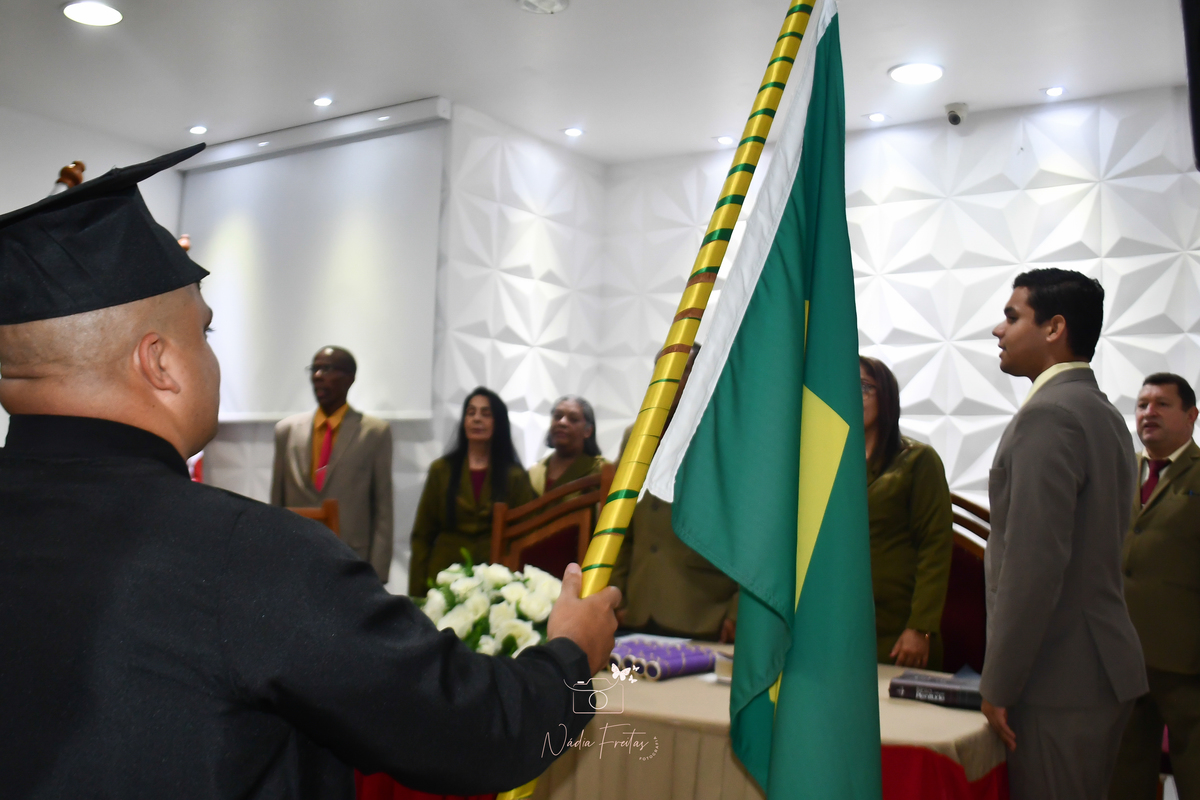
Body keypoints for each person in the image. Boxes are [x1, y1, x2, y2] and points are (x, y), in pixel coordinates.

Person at [0, 146, 620, 798]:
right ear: (158, 363)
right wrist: (571, 659)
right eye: (205, 333)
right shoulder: (243, 558)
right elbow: (482, 733)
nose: (212, 356)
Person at [981, 268, 1147, 799]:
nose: (998, 330)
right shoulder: (1101, 412)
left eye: (1012, 317)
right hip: (1093, 670)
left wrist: (999, 683)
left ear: (1054, 328)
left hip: (1057, 678)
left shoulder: (1049, 415)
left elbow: (1032, 566)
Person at [610, 342, 739, 642]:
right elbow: (620, 519)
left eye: (681, 369)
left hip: (703, 609)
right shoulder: (636, 436)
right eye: (662, 370)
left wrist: (737, 609)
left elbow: (747, 532)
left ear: (703, 375)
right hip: (638, 605)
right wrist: (616, 591)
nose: (668, 378)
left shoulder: (728, 437)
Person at [1110, 373, 1200, 800]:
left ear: (1192, 415)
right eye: (1142, 405)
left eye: (1162, 404)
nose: (1149, 413)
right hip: (1122, 655)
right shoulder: (1121, 471)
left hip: (1187, 662)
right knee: (1124, 778)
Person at [859, 355, 952, 670]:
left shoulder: (917, 461)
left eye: (863, 387)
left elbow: (935, 546)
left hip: (897, 631)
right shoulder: (825, 462)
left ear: (885, 396)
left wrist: (920, 627)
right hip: (835, 624)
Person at [271, 346, 393, 581]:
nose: (317, 376)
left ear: (349, 378)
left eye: (327, 369)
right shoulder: (286, 431)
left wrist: (377, 573)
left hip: (351, 560)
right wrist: (275, 557)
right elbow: (277, 502)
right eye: (314, 369)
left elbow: (383, 508)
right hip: (297, 557)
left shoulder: (374, 433)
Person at [408, 387, 535, 593]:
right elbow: (422, 536)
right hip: (444, 577)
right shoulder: (441, 470)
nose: (477, 419)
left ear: (498, 423)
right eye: (471, 412)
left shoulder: (514, 476)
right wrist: (417, 592)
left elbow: (526, 536)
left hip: (495, 580)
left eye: (485, 414)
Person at [528, 395, 606, 496]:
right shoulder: (533, 471)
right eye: (557, 417)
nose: (562, 422)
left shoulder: (602, 470)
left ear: (588, 431)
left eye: (573, 419)